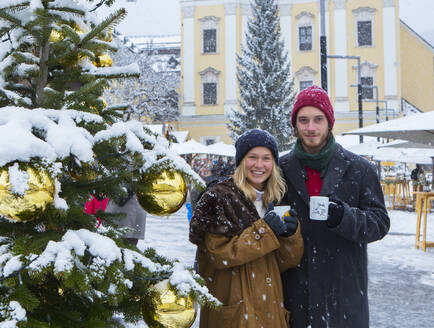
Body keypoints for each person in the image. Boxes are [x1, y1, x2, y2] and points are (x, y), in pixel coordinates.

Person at [279, 85, 390, 328]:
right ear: (295, 124)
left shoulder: (359, 169)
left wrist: (344, 217)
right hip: (296, 294)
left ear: (329, 123)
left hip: (344, 293)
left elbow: (380, 222)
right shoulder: (280, 169)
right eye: (303, 120)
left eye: (318, 119)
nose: (310, 128)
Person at [189, 129, 304, 328]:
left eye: (266, 158)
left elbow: (285, 262)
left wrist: (289, 236)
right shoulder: (219, 197)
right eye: (252, 157)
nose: (259, 165)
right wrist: (265, 230)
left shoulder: (275, 200)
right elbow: (220, 255)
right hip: (235, 313)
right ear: (241, 161)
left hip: (269, 311)